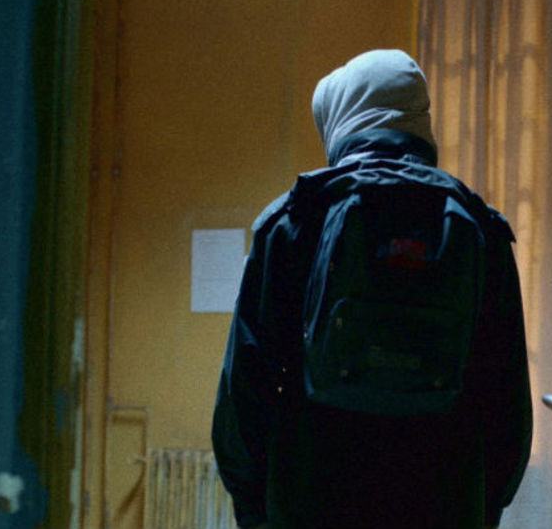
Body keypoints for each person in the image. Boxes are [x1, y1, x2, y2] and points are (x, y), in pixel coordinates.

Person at [212, 49, 532, 529]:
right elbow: (508, 405)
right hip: (442, 502)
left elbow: (243, 397)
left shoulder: (293, 222)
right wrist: (480, 509)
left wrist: (258, 512)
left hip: (312, 501)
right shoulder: (480, 230)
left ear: (344, 116)